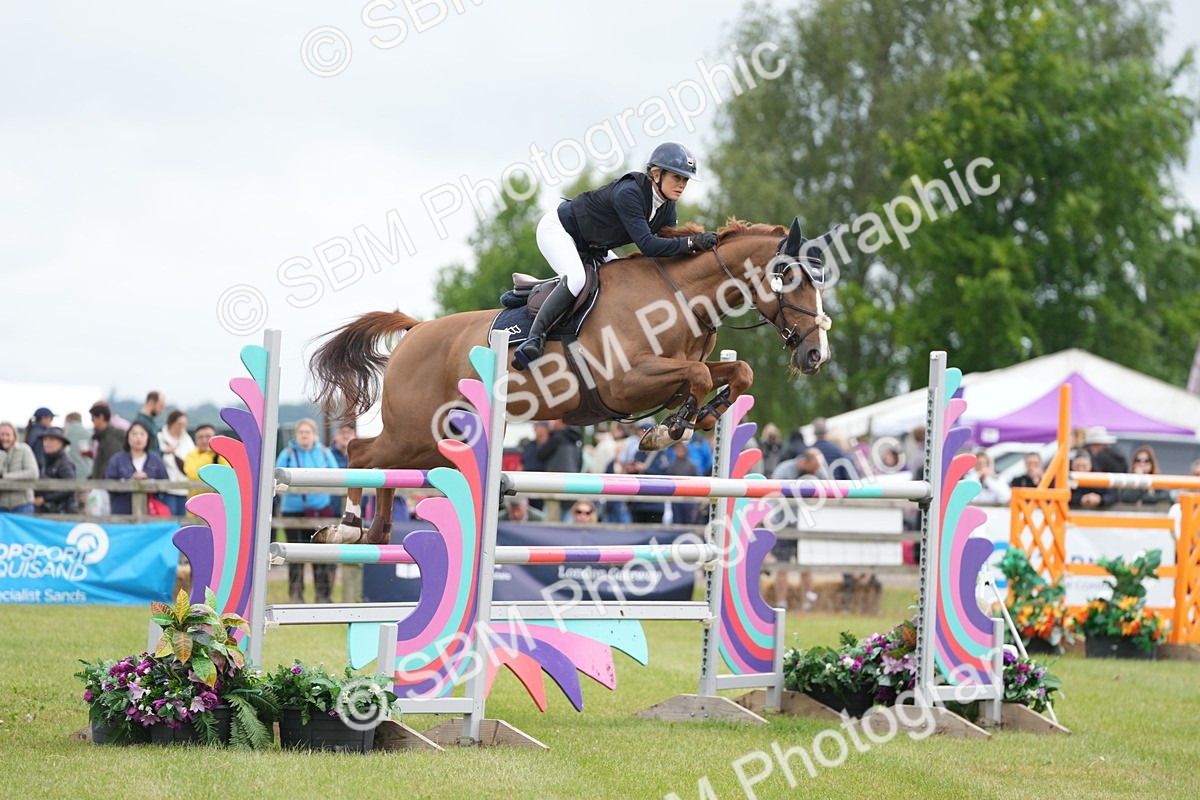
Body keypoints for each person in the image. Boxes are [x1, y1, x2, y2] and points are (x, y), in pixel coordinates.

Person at [511, 142, 717, 370]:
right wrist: (691, 242)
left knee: (626, 280)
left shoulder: (668, 208)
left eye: (685, 180)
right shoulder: (630, 193)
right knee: (577, 279)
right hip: (560, 230)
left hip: (594, 246)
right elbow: (648, 246)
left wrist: (699, 250)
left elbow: (667, 251)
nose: (682, 185)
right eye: (677, 177)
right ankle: (534, 339)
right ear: (657, 174)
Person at [274, 419, 339, 604]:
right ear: (296, 435)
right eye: (301, 432)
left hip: (320, 511)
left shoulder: (324, 453)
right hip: (293, 510)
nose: (304, 435)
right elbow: (276, 477)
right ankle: (296, 596)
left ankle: (323, 597)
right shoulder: (287, 454)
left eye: (307, 432)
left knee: (321, 555)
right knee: (294, 555)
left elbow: (337, 476)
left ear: (314, 434)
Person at [769, 448, 828, 611]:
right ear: (803, 462)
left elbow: (827, 493)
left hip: (807, 526)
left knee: (806, 566)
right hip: (784, 525)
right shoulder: (783, 470)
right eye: (813, 469)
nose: (815, 472)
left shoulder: (819, 472)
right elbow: (773, 495)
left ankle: (807, 604)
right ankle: (781, 603)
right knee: (782, 566)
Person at [106, 422, 169, 515]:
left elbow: (165, 484)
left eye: (142, 434)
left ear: (148, 437)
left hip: (151, 513)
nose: (138, 437)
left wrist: (148, 481)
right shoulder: (116, 460)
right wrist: (129, 482)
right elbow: (109, 485)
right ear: (128, 437)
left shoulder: (156, 459)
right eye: (134, 434)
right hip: (122, 512)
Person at [158, 409, 195, 516]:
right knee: (169, 517)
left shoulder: (187, 439)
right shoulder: (160, 438)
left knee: (183, 519)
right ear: (171, 423)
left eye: (184, 424)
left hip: (185, 487)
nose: (182, 427)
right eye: (179, 424)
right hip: (167, 488)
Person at [35, 427, 77, 514]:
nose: (47, 443)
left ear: (61, 443)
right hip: (51, 510)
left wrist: (44, 499)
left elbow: (70, 487)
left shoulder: (65, 463)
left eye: (51, 440)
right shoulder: (47, 460)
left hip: (63, 512)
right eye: (45, 440)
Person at [0, 421, 39, 514]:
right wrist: (1, 456)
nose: (4, 438)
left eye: (8, 434)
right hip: (1, 506)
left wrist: (5, 476)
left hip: (22, 505)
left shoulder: (24, 449)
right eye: (2, 434)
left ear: (14, 436)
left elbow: (33, 473)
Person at [183, 424, 226, 498]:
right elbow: (193, 475)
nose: (204, 440)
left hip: (220, 500)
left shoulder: (221, 454)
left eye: (208, 437)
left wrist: (220, 449)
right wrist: (209, 453)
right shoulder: (191, 455)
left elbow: (226, 474)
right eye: (200, 437)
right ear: (195, 440)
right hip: (196, 500)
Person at [89, 403, 129, 480]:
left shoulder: (110, 438)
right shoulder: (103, 437)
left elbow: (111, 464)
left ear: (101, 417)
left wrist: (99, 479)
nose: (92, 422)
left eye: (93, 419)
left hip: (107, 483)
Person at [665, 441, 701, 524]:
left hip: (689, 499)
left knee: (689, 521)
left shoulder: (692, 466)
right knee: (677, 521)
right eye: (677, 449)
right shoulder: (672, 466)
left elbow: (697, 482)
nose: (678, 451)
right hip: (676, 499)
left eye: (680, 448)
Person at [62, 411, 94, 482]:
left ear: (68, 420)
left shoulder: (63, 432)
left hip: (67, 473)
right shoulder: (89, 434)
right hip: (86, 473)